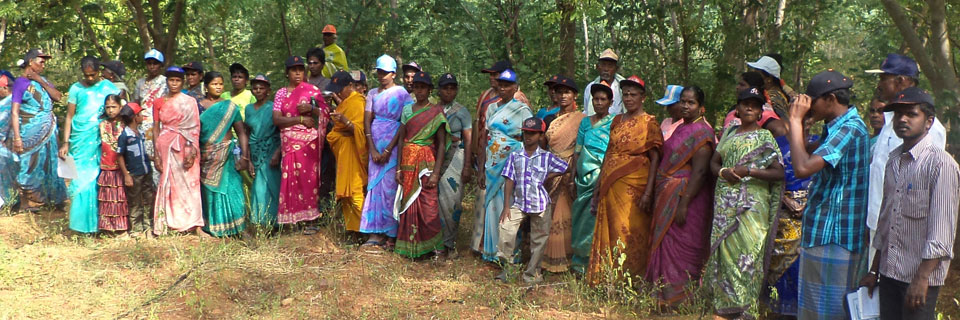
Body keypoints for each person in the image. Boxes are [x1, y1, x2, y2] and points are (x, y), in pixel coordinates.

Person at [860, 87, 960, 320]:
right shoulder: (893, 160)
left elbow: (942, 232)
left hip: (918, 279)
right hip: (889, 273)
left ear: (928, 122)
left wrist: (921, 279)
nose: (903, 119)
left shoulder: (941, 166)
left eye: (912, 114)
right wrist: (875, 270)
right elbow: (886, 222)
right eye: (898, 114)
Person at [786, 70, 870, 319]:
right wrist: (800, 124)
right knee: (813, 309)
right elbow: (804, 152)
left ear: (831, 99)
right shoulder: (835, 127)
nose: (809, 106)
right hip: (823, 232)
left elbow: (802, 168)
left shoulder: (851, 128)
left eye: (814, 101)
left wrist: (794, 120)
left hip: (835, 235)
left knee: (828, 311)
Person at [704, 87, 784, 318]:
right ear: (737, 109)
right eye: (745, 103)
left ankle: (745, 311)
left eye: (755, 105)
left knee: (748, 256)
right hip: (725, 207)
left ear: (760, 112)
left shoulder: (765, 137)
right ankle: (725, 308)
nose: (749, 107)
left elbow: (778, 173)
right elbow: (714, 162)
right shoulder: (729, 133)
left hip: (751, 209)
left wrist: (749, 170)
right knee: (726, 256)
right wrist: (723, 173)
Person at [586, 75, 662, 284]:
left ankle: (631, 280)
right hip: (610, 185)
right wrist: (597, 187)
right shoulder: (617, 121)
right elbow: (609, 154)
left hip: (635, 187)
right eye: (625, 94)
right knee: (609, 230)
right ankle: (606, 278)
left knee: (631, 230)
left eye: (633, 94)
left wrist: (648, 191)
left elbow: (655, 158)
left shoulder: (650, 123)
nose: (629, 98)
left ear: (643, 97)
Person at [865, 54, 946, 246]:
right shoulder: (890, 120)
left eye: (884, 79)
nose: (879, 84)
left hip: (906, 230)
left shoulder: (930, 128)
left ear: (900, 81)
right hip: (879, 220)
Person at [646, 86, 716, 305]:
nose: (686, 106)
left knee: (684, 244)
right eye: (683, 101)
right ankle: (663, 293)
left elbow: (701, 172)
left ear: (701, 107)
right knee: (666, 244)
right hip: (669, 193)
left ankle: (682, 297)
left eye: (691, 102)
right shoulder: (681, 127)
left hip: (689, 198)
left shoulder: (702, 133)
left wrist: (684, 202)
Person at [496, 117, 569, 283]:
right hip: (519, 203)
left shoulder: (546, 157)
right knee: (505, 231)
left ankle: (532, 274)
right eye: (526, 133)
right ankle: (509, 269)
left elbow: (566, 167)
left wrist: (546, 177)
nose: (528, 136)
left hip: (541, 204)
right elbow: (509, 180)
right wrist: (506, 206)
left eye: (533, 133)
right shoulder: (515, 156)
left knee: (539, 241)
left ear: (540, 135)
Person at [474, 68, 534, 262]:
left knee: (509, 205)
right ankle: (491, 252)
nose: (503, 88)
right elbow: (484, 138)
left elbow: (529, 138)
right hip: (492, 164)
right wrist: (481, 168)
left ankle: (510, 255)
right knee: (492, 204)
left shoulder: (523, 110)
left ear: (515, 87)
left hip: (512, 162)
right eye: (500, 84)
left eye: (507, 85)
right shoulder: (491, 108)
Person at [764, 117, 818, 316]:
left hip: (812, 212)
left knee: (806, 263)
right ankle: (779, 309)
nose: (806, 123)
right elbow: (769, 177)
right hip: (783, 213)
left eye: (809, 118)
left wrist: (808, 202)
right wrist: (786, 200)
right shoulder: (776, 145)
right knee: (781, 264)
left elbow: (824, 175)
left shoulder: (820, 142)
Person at [61, 56, 120, 232]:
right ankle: (79, 225)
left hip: (100, 138)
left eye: (93, 75)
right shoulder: (75, 89)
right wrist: (65, 142)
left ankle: (98, 224)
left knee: (96, 178)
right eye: (86, 75)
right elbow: (69, 116)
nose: (90, 79)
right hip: (79, 139)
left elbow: (117, 108)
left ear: (99, 72)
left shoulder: (108, 87)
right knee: (78, 179)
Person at [393, 72, 448, 258]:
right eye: (416, 87)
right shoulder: (407, 110)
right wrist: (398, 167)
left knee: (428, 204)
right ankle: (411, 247)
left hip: (426, 163)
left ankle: (435, 247)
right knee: (408, 204)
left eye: (423, 87)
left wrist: (436, 173)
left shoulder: (436, 112)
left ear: (429, 89)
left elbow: (441, 144)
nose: (419, 91)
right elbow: (401, 139)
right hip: (408, 162)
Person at [360, 55, 411, 248]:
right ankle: (374, 232)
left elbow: (404, 123)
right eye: (379, 72)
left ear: (393, 74)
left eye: (385, 73)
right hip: (375, 146)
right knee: (374, 188)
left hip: (393, 145)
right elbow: (367, 120)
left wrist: (389, 148)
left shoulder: (402, 94)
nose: (382, 76)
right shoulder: (372, 93)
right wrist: (372, 147)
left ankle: (391, 233)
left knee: (390, 189)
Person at [273, 56, 328, 231]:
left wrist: (312, 110)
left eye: (300, 70)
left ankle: (311, 219)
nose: (297, 73)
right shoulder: (281, 93)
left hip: (309, 143)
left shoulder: (312, 90)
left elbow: (325, 112)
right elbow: (277, 120)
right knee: (289, 179)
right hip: (288, 145)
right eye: (293, 70)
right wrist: (301, 118)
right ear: (287, 72)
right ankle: (292, 221)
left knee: (308, 179)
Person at [10, 48, 67, 212]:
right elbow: (15, 111)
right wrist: (17, 138)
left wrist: (39, 80)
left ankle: (53, 199)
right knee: (29, 164)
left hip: (48, 131)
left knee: (50, 163)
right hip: (29, 132)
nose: (43, 65)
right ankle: (27, 202)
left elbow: (57, 97)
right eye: (41, 62)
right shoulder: (20, 83)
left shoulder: (43, 81)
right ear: (30, 62)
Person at [569, 81, 616, 274]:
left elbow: (613, 152)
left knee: (596, 219)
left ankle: (595, 264)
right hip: (583, 178)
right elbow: (577, 152)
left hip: (602, 176)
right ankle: (579, 263)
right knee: (581, 219)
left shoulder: (615, 122)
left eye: (603, 99)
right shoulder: (585, 123)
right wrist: (573, 178)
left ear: (610, 102)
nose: (598, 103)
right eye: (595, 99)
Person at [198, 71, 251, 237]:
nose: (218, 87)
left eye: (221, 84)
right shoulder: (198, 106)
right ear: (206, 87)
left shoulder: (230, 106)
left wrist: (244, 156)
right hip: (206, 156)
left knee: (234, 189)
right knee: (210, 193)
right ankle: (216, 229)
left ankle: (240, 229)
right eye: (214, 84)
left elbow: (241, 132)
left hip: (227, 155)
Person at [152, 66, 204, 236]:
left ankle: (195, 224)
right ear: (167, 82)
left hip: (186, 145)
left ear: (182, 82)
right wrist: (156, 155)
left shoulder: (189, 102)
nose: (174, 84)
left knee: (191, 183)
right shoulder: (159, 102)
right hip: (166, 146)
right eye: (171, 80)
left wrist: (192, 151)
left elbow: (195, 127)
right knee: (168, 183)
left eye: (177, 80)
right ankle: (169, 223)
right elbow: (155, 128)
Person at [541, 75, 584, 273]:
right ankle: (547, 257)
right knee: (548, 213)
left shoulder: (582, 119)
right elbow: (544, 146)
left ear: (575, 95)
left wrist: (571, 170)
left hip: (569, 170)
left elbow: (581, 147)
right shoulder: (550, 119)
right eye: (559, 92)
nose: (563, 95)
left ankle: (566, 258)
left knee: (565, 211)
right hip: (550, 170)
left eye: (567, 92)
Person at [325, 71, 367, 235]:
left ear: (350, 86)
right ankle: (353, 230)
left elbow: (362, 130)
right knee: (346, 195)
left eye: (340, 89)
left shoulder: (358, 102)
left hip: (354, 152)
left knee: (356, 192)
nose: (337, 92)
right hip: (344, 152)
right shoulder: (346, 102)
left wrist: (345, 121)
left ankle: (365, 230)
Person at [436, 73, 472, 256]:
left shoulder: (462, 112)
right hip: (435, 158)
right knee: (435, 201)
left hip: (456, 158)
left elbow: (468, 139)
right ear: (439, 90)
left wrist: (467, 167)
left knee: (452, 201)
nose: (449, 92)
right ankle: (435, 243)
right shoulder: (433, 109)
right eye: (445, 88)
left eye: (452, 88)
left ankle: (449, 243)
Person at [245, 75, 281, 227]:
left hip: (271, 150)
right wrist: (248, 158)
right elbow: (247, 132)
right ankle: (261, 222)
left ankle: (277, 222)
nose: (258, 91)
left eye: (262, 88)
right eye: (255, 88)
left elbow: (281, 131)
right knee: (258, 187)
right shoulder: (248, 109)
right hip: (255, 151)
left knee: (272, 185)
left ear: (268, 90)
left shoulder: (274, 108)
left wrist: (278, 152)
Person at [117, 103, 155, 237]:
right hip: (134, 173)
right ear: (134, 117)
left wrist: (152, 158)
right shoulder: (125, 136)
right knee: (135, 202)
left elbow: (142, 152)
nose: (142, 116)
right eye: (140, 114)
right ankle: (136, 229)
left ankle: (149, 227)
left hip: (146, 171)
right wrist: (126, 175)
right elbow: (120, 155)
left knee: (148, 199)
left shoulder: (140, 133)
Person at [132, 49, 167, 185]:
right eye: (149, 63)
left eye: (155, 63)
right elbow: (136, 104)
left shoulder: (165, 82)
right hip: (143, 126)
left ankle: (160, 190)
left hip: (160, 125)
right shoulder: (140, 83)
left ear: (161, 65)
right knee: (146, 157)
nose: (152, 66)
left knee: (159, 156)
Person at [97, 94, 129, 233]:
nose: (110, 110)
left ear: (121, 107)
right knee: (108, 198)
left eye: (114, 107)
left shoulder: (125, 124)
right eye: (108, 107)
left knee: (120, 198)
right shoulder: (102, 125)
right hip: (107, 166)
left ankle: (121, 227)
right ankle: (107, 227)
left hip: (122, 168)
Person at [583, 49, 625, 116]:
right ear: (597, 67)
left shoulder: (622, 88)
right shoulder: (590, 87)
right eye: (603, 65)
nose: (606, 69)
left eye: (610, 66)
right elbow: (586, 111)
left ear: (616, 69)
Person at [0, 72, 17, 208]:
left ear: (5, 88)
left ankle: (7, 201)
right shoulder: (19, 100)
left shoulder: (6, 104)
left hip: (9, 145)